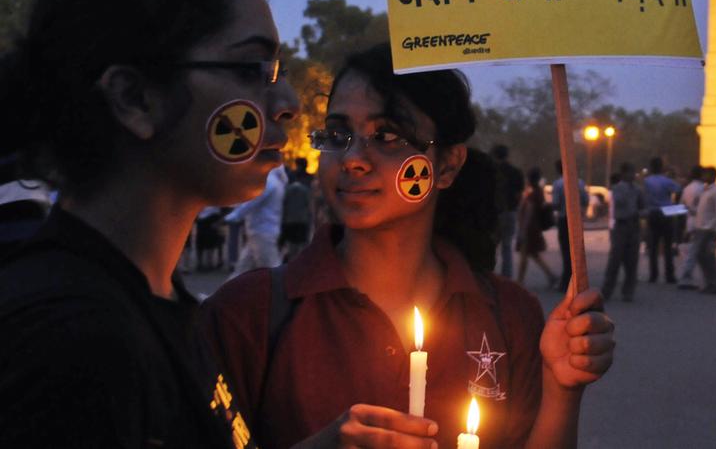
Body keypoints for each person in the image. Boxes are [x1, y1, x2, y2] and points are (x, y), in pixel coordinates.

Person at [202, 43, 615, 449]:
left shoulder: (510, 315)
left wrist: (562, 389)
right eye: (339, 133)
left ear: (448, 165)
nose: (353, 159)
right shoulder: (248, 312)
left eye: (387, 135)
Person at [0, 0, 298, 448]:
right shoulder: (74, 343)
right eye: (253, 68)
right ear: (134, 98)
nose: (289, 100)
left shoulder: (156, 297)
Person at [226, 164, 289, 276]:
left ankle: (284, 293)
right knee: (242, 269)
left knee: (272, 270)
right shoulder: (277, 182)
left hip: (261, 231)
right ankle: (225, 293)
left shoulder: (268, 183)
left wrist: (233, 216)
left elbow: (252, 203)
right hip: (262, 231)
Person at [601, 162, 645, 302]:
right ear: (623, 174)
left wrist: (642, 213)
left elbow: (643, 206)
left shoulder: (638, 190)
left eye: (633, 173)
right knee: (615, 259)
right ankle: (607, 290)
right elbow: (620, 205)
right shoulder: (617, 189)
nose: (633, 175)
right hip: (621, 225)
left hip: (634, 226)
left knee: (632, 260)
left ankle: (628, 291)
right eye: (630, 173)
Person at [515, 167, 558, 287]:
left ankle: (519, 281)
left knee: (525, 255)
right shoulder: (538, 192)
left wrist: (523, 230)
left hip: (529, 228)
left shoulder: (533, 194)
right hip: (534, 227)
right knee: (533, 254)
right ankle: (551, 275)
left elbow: (529, 212)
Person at [551, 159, 589, 292]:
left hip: (564, 219)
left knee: (566, 251)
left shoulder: (558, 184)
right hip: (576, 220)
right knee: (576, 251)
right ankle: (577, 281)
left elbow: (555, 203)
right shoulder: (580, 182)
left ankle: (566, 281)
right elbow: (586, 200)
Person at [642, 157, 681, 283]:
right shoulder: (667, 181)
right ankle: (669, 275)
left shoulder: (647, 181)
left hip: (653, 212)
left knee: (653, 245)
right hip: (667, 212)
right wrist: (675, 205)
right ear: (662, 167)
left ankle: (653, 275)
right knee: (668, 245)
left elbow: (643, 197)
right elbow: (679, 190)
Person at [692, 166, 716, 295]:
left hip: (709, 229)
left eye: (706, 174)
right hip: (701, 227)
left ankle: (713, 284)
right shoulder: (704, 190)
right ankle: (709, 282)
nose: (703, 176)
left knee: (708, 257)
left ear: (712, 176)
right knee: (702, 257)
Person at [491, 144, 524, 278]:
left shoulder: (490, 171)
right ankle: (507, 277)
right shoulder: (515, 172)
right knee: (507, 246)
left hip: (493, 212)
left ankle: (488, 275)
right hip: (510, 212)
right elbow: (518, 194)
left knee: (492, 245)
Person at [676, 165, 706, 290]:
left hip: (690, 221)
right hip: (702, 222)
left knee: (696, 249)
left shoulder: (687, 188)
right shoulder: (703, 189)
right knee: (696, 251)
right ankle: (686, 276)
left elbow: (680, 206)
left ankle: (708, 275)